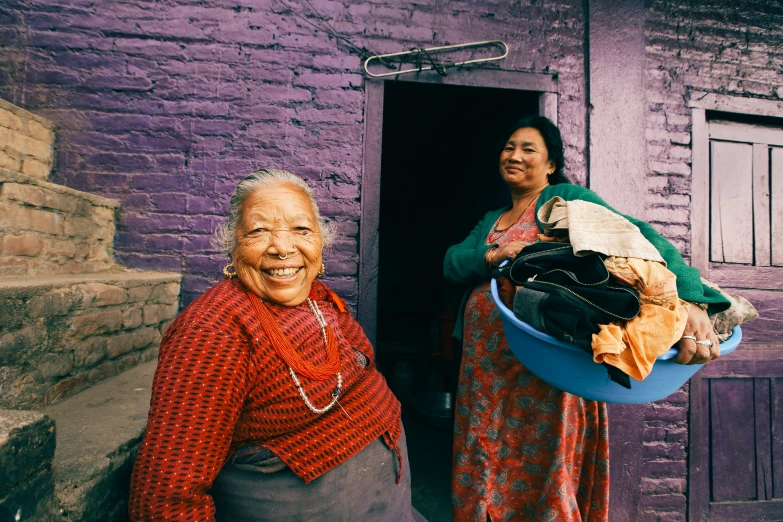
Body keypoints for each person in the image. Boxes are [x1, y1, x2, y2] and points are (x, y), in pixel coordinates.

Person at [443, 115, 729, 522]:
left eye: (528, 149)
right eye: (509, 147)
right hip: (486, 361)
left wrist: (691, 297)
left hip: (545, 354)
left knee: (544, 440)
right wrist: (495, 253)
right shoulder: (492, 219)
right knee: (484, 434)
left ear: (550, 164)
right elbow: (452, 262)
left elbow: (639, 235)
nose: (515, 155)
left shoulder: (563, 199)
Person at [129, 169, 423, 521]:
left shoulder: (318, 296)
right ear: (233, 243)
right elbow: (165, 495)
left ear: (319, 241)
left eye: (301, 230)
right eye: (258, 231)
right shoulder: (212, 330)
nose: (283, 248)